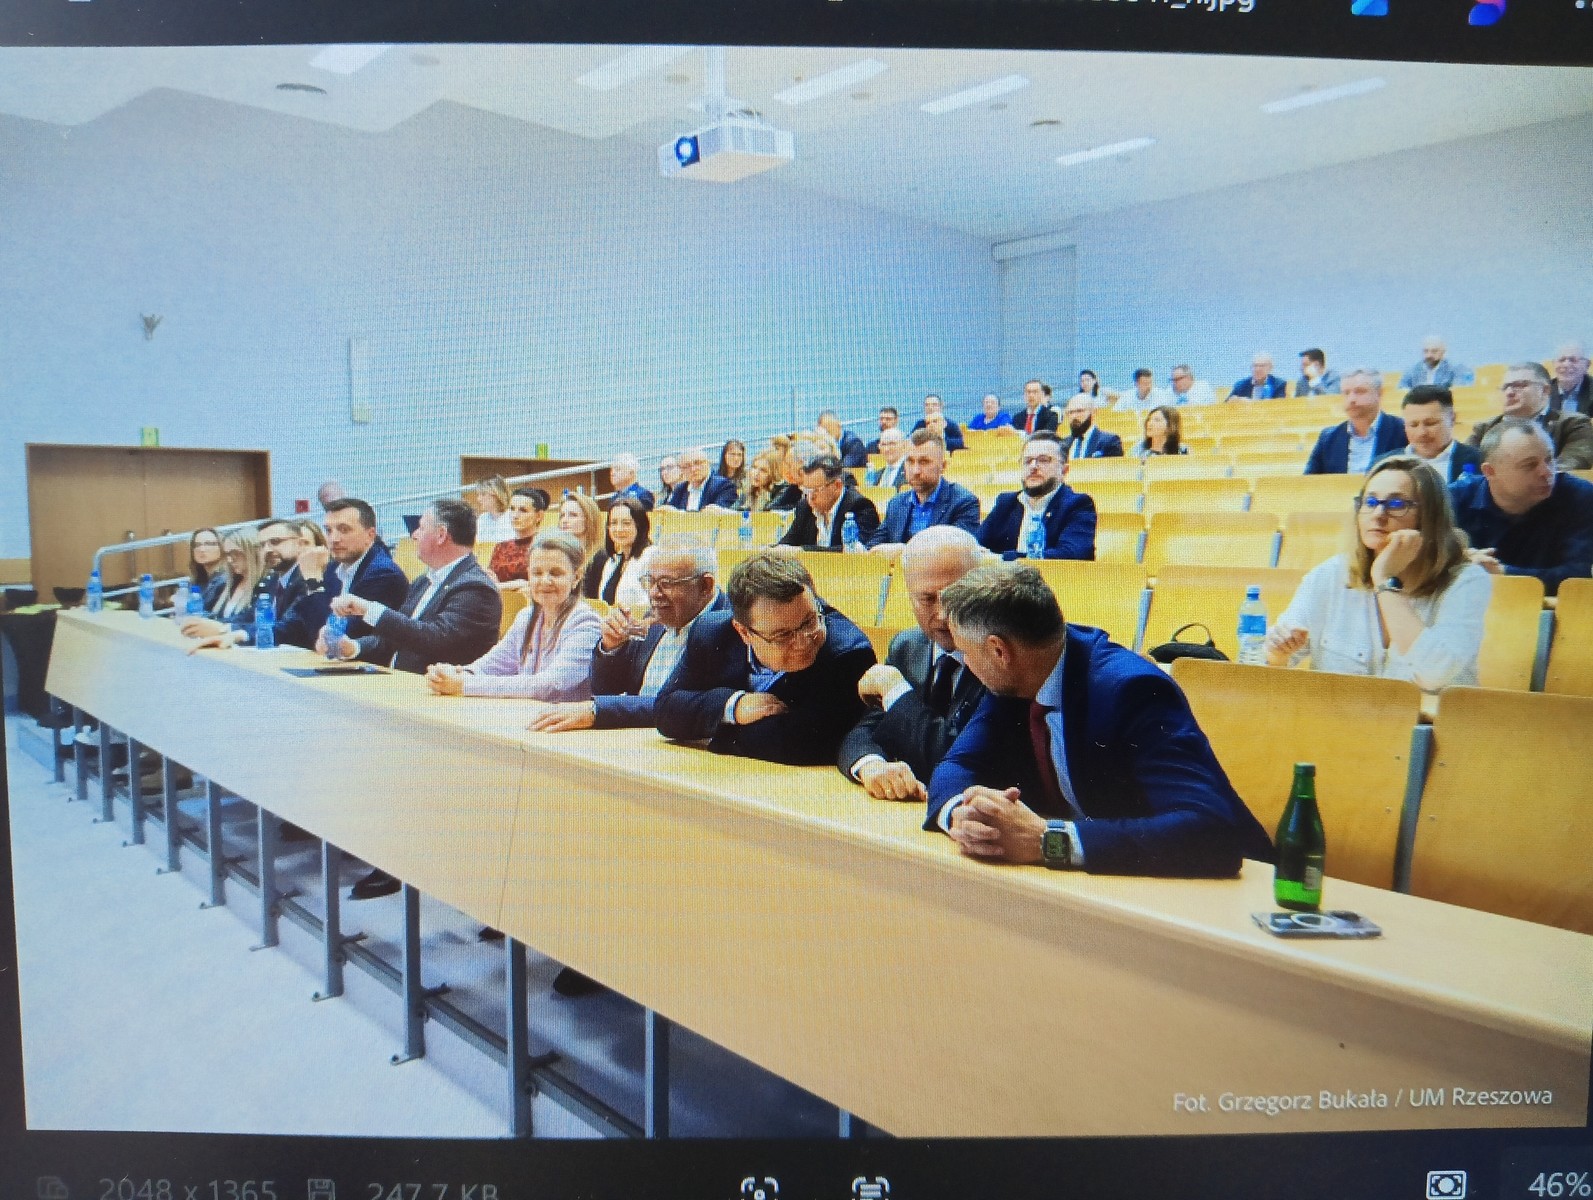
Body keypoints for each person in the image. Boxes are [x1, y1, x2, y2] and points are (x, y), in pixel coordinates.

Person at [925, 563, 1273, 876]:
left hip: (1229, 893)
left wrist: (1049, 840)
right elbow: (957, 764)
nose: (966, 664)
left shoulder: (1132, 690)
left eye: (966, 652)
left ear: (999, 651)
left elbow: (1210, 830)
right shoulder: (1015, 679)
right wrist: (961, 815)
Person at [1264, 457, 1490, 691]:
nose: (1378, 514)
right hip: (1343, 712)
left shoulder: (1467, 582)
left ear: (1429, 517)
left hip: (1426, 715)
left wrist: (1384, 579)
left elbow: (1435, 676)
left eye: (1396, 504)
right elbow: (1274, 660)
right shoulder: (1328, 576)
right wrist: (1278, 653)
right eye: (1370, 502)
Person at [654, 552, 876, 766]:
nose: (803, 641)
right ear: (743, 632)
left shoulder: (849, 653)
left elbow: (802, 743)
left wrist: (717, 732)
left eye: (809, 621)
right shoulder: (711, 632)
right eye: (783, 635)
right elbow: (665, 710)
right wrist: (733, 706)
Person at [838, 528, 990, 800]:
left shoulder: (999, 655)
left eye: (955, 596)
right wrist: (872, 766)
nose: (942, 614)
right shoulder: (907, 646)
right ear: (909, 597)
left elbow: (955, 759)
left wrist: (895, 691)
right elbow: (866, 730)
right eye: (927, 599)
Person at [527, 538, 728, 734]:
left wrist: (599, 711)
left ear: (705, 585)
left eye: (666, 583)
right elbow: (606, 690)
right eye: (650, 581)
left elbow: (681, 707)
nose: (654, 593)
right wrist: (611, 647)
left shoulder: (727, 629)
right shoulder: (659, 615)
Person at [323, 498, 502, 674]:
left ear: (441, 535)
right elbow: (395, 638)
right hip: (399, 682)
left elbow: (436, 639)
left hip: (435, 688)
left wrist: (369, 609)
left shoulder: (476, 588)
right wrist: (353, 647)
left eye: (421, 528)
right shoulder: (423, 581)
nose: (414, 535)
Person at [424, 531, 602, 701]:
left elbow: (551, 685)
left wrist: (464, 685)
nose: (545, 581)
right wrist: (455, 674)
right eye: (537, 573)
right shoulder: (526, 617)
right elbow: (491, 665)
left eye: (556, 573)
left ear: (576, 577)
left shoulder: (586, 623)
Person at [1449, 419, 1593, 596]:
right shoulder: (1454, 499)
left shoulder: (1580, 496)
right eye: (1530, 465)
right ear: (1490, 471)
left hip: (1552, 609)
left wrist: (1502, 573)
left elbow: (1579, 577)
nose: (1547, 472)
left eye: (1549, 460)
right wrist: (1458, 562)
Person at [976, 432, 1096, 561]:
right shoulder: (1006, 503)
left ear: (1064, 471)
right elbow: (975, 546)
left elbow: (1070, 555)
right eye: (1027, 461)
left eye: (1043, 460)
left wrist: (1002, 558)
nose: (1033, 466)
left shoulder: (1078, 504)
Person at [867, 430, 982, 557]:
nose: (915, 471)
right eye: (910, 461)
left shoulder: (964, 503)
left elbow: (956, 553)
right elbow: (873, 548)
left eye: (924, 462)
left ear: (943, 466)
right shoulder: (896, 503)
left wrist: (904, 550)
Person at [1466, 361, 1593, 472]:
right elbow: (1464, 465)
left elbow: (1574, 462)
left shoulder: (1573, 424)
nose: (1509, 392)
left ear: (1545, 390)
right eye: (1505, 387)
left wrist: (1520, 477)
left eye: (1519, 385)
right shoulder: (1484, 428)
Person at [1304, 369, 1408, 474]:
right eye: (1346, 393)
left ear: (1379, 393)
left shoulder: (1403, 430)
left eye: (1360, 392)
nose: (1351, 399)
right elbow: (1308, 481)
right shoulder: (1328, 438)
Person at [1374, 385, 1480, 482]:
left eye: (1430, 423)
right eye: (1413, 425)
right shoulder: (1383, 465)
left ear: (1452, 419)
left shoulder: (1479, 461)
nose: (1422, 432)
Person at [777, 453, 881, 551]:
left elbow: (858, 552)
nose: (811, 497)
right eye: (806, 490)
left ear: (837, 486)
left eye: (816, 490)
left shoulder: (860, 506)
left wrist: (803, 551)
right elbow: (787, 543)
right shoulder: (805, 506)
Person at [582, 496, 651, 610]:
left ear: (640, 525)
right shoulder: (611, 562)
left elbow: (651, 604)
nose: (619, 529)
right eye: (613, 523)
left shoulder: (650, 557)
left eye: (626, 523)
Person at [486, 487, 550, 591]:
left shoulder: (546, 546)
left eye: (523, 510)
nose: (515, 516)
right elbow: (490, 581)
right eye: (512, 509)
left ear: (539, 516)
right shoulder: (501, 547)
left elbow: (542, 583)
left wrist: (501, 586)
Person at [665, 447, 739, 511]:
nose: (693, 469)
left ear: (708, 463)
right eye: (687, 466)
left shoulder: (724, 486)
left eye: (697, 463)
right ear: (681, 470)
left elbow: (717, 515)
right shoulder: (680, 489)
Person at [1059, 393, 1124, 459]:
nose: (1074, 416)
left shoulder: (1110, 441)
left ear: (1093, 412)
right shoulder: (1064, 443)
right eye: (1070, 412)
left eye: (1079, 411)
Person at [1400, 335, 1471, 390]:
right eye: (1426, 351)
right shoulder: (1414, 370)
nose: (1429, 355)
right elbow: (1402, 388)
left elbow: (1461, 389)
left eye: (1434, 351)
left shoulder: (1454, 368)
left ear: (1443, 352)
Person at [557, 491, 606, 567]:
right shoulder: (557, 556)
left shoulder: (602, 558)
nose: (564, 520)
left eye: (573, 515)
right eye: (562, 515)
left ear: (589, 520)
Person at [1548, 341, 1591, 418]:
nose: (1566, 365)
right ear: (1554, 364)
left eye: (1573, 360)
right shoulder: (1543, 392)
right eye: (1561, 360)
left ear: (1587, 365)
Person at [187, 527, 225, 609]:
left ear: (221, 547)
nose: (202, 549)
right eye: (197, 545)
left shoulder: (225, 580)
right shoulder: (196, 580)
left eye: (208, 544)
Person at [471, 476, 515, 543]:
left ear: (496, 495)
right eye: (478, 495)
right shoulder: (482, 519)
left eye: (483, 494)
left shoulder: (513, 517)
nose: (478, 499)